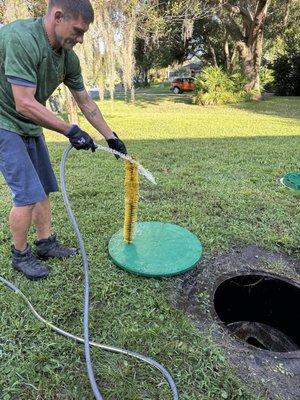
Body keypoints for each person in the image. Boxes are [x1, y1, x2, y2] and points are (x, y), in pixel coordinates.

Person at [0, 0, 127, 280]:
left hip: (29, 123)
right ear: (58, 16)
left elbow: (86, 103)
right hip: (4, 121)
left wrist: (110, 136)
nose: (81, 40)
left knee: (43, 187)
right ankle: (19, 254)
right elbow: (23, 103)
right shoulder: (21, 38)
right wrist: (70, 130)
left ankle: (45, 243)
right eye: (78, 30)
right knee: (26, 193)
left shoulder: (68, 58)